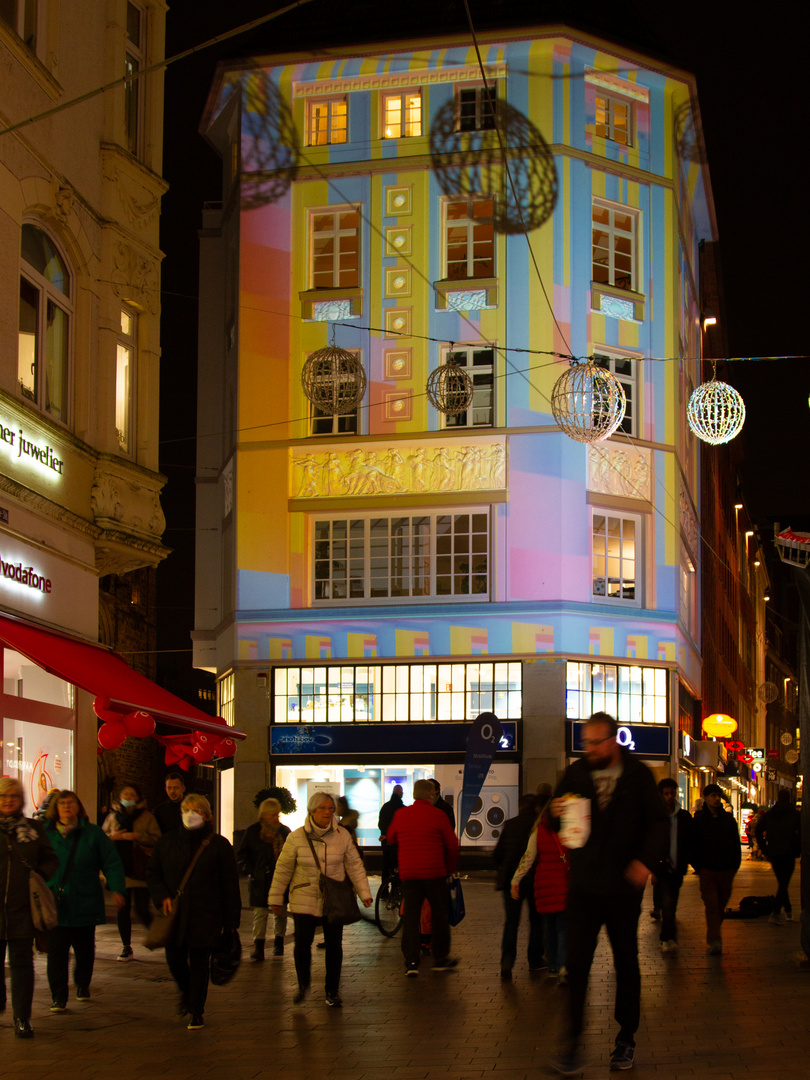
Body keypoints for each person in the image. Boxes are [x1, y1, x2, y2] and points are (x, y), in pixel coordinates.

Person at [547, 712, 668, 1076]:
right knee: (578, 964)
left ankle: (625, 1038)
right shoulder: (576, 773)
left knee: (626, 962)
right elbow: (558, 821)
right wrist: (554, 814)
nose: (589, 748)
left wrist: (644, 862)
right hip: (584, 885)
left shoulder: (638, 776)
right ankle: (571, 1043)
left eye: (596, 742)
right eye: (586, 742)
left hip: (622, 887)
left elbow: (659, 823)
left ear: (614, 741)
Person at [147, 794, 241, 1030]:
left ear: (207, 815)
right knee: (175, 959)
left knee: (200, 961)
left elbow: (230, 884)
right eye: (186, 810)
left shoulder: (219, 845)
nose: (191, 814)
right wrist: (162, 897)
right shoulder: (167, 842)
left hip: (206, 912)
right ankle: (187, 992)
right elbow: (154, 873)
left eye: (196, 810)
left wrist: (231, 921)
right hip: (177, 913)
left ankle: (196, 1009)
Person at [268, 792, 372, 1007]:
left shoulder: (342, 835)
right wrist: (276, 896)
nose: (327, 812)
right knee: (302, 944)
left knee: (335, 945)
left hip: (334, 899)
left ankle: (332, 990)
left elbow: (353, 864)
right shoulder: (296, 837)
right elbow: (283, 869)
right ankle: (303, 984)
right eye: (323, 808)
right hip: (303, 896)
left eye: (331, 808)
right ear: (312, 810)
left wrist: (364, 892)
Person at [43, 790, 127, 1010]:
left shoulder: (93, 834)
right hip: (56, 901)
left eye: (70, 802)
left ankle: (82, 983)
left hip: (85, 899)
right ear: (55, 807)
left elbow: (111, 862)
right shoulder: (46, 834)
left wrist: (117, 888)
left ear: (78, 807)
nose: (66, 806)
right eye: (61, 803)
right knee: (57, 952)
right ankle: (58, 996)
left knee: (84, 949)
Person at [0, 775, 58, 1038]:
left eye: (13, 796)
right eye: (3, 796)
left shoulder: (34, 829)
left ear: (21, 799)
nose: (8, 801)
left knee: (22, 963)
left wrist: (39, 876)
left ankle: (22, 1017)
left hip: (24, 907)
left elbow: (50, 858)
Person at [387, 778, 460, 976]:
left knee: (411, 917)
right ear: (431, 794)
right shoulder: (438, 815)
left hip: (410, 874)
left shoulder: (401, 814)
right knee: (439, 916)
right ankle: (440, 958)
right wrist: (450, 869)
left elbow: (391, 836)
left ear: (413, 794)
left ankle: (411, 962)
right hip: (435, 873)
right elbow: (453, 845)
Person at [510, 789, 569, 982]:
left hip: (543, 885)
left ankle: (552, 966)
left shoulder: (538, 831)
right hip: (563, 884)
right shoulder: (569, 830)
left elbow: (527, 859)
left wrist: (515, 880)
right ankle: (563, 967)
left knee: (549, 929)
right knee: (563, 929)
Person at [102, 781, 160, 961]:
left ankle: (158, 935)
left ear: (138, 798)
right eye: (125, 794)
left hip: (140, 868)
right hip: (120, 869)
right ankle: (126, 946)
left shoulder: (146, 817)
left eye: (132, 795)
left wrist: (137, 836)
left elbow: (157, 838)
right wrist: (114, 836)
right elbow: (101, 839)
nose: (128, 798)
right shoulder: (113, 817)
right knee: (123, 910)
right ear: (120, 797)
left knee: (143, 908)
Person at [493, 792, 545, 979]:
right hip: (534, 880)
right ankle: (535, 959)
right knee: (537, 921)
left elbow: (497, 854)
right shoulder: (539, 826)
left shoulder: (510, 824)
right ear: (537, 808)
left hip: (510, 881)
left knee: (511, 922)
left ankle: (507, 962)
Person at [237, 797, 291, 960]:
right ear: (264, 815)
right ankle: (259, 946)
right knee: (260, 913)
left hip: (279, 877)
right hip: (259, 879)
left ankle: (279, 942)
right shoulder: (253, 831)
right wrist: (250, 869)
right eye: (273, 815)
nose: (276, 818)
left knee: (280, 911)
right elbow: (242, 854)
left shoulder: (284, 832)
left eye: (277, 814)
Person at [691, 783, 741, 955]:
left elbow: (736, 844)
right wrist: (698, 866)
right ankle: (715, 940)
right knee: (711, 905)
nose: (716, 798)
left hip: (726, 870)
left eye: (718, 795)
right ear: (705, 797)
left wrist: (734, 866)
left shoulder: (728, 820)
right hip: (707, 870)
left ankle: (712, 934)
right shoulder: (699, 820)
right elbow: (693, 845)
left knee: (720, 906)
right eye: (713, 795)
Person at [652, 779, 694, 954]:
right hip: (662, 869)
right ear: (661, 795)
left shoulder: (684, 817)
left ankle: (669, 936)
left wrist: (689, 861)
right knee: (668, 904)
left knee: (671, 905)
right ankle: (668, 938)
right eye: (666, 793)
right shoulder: (655, 817)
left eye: (673, 793)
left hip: (678, 868)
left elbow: (690, 841)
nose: (670, 796)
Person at [755, 788, 801, 924]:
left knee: (782, 881)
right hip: (789, 852)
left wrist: (765, 848)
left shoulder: (770, 814)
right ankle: (776, 912)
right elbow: (801, 833)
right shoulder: (794, 815)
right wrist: (798, 848)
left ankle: (788, 910)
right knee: (784, 882)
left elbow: (758, 831)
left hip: (774, 852)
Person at [378, 784, 405, 880]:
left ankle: (384, 892)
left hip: (385, 842)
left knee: (386, 865)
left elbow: (380, 824)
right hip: (398, 843)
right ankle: (397, 888)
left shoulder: (385, 807)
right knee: (397, 866)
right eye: (402, 792)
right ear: (400, 793)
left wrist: (384, 834)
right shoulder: (402, 808)